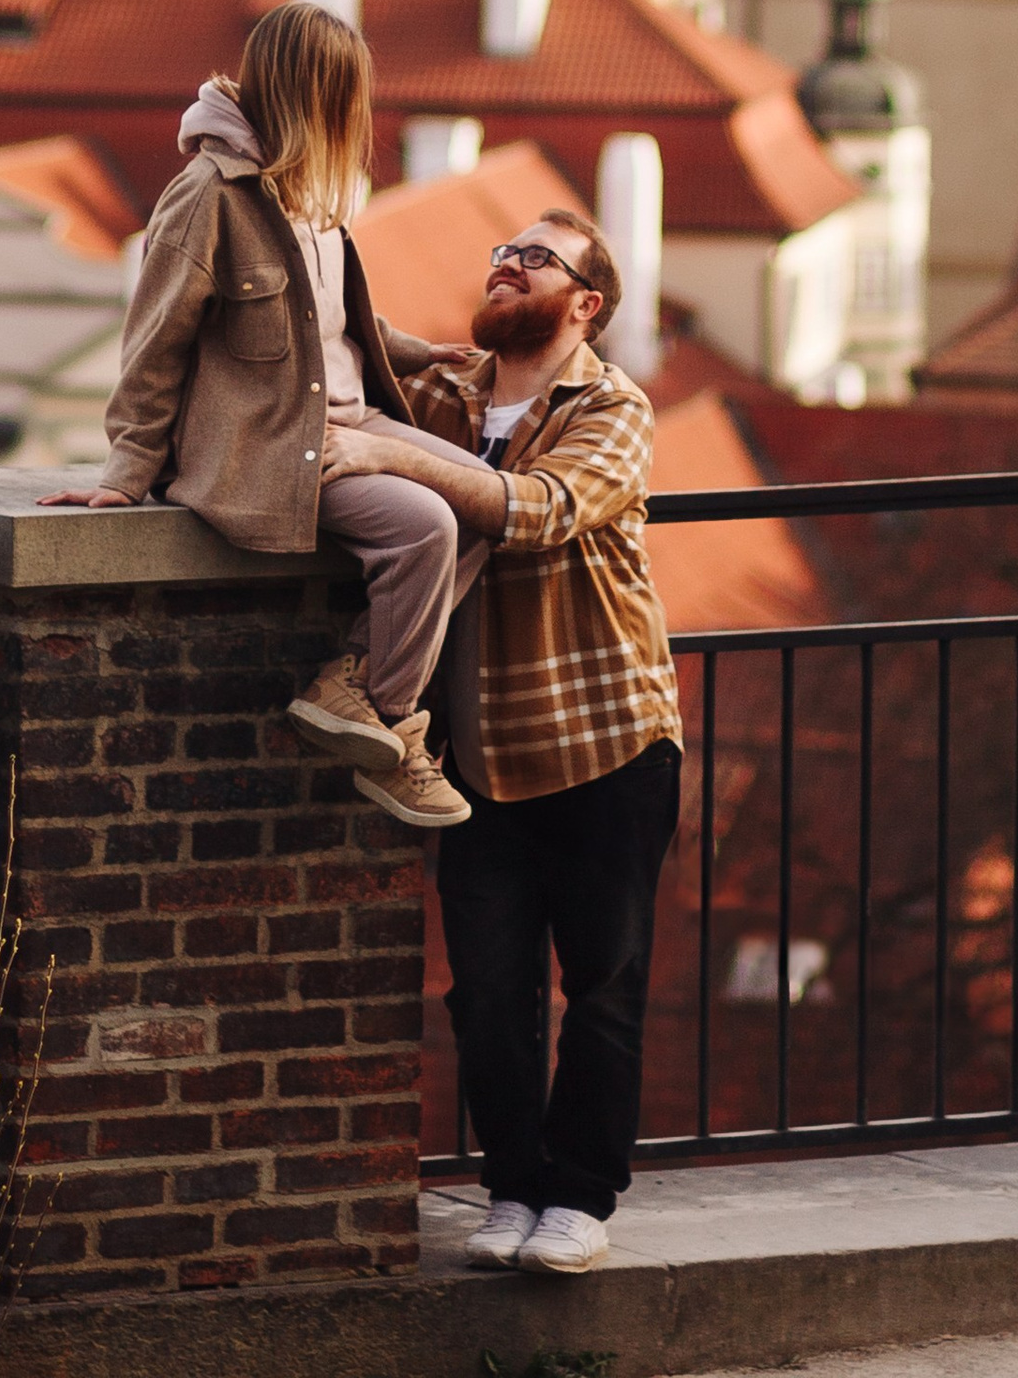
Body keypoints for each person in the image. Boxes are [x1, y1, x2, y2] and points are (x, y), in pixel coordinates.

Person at [312, 206, 680, 1281]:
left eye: (538, 258)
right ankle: (513, 1184)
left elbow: (540, 508)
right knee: (483, 990)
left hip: (605, 738)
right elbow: (341, 352)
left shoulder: (610, 404)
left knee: (601, 986)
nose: (509, 266)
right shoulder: (447, 395)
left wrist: (389, 451)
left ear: (587, 303)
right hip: (473, 751)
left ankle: (580, 1196)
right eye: (501, 254)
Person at [41, 0, 484, 834]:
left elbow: (332, 326)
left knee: (486, 498)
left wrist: (421, 353)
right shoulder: (207, 196)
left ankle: (349, 685)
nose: (357, 121)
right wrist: (126, 475)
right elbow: (153, 344)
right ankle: (392, 726)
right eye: (346, 101)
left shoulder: (314, 192)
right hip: (278, 450)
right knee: (426, 527)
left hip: (355, 424)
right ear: (309, 96)